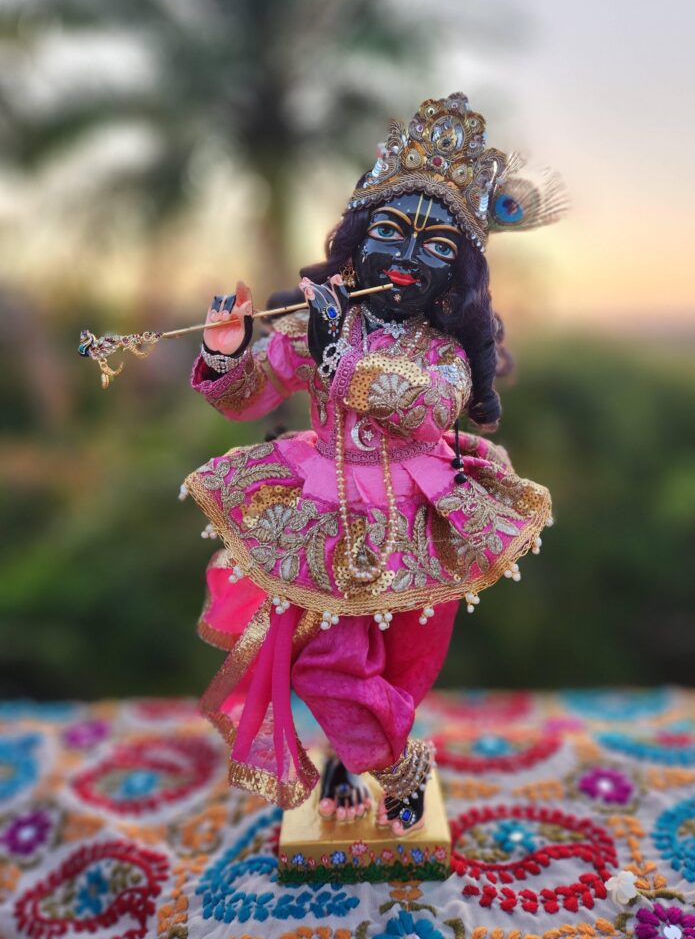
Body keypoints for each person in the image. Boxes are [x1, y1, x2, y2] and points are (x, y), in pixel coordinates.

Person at [181, 92, 566, 834]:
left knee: (402, 669)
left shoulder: (443, 348)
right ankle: (400, 763)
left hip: (425, 516)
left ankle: (352, 753)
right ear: (357, 241)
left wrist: (339, 353)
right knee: (327, 665)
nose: (405, 258)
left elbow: (424, 406)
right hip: (323, 517)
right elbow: (251, 395)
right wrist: (225, 355)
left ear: (456, 278)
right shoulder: (321, 318)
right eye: (389, 232)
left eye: (435, 247)